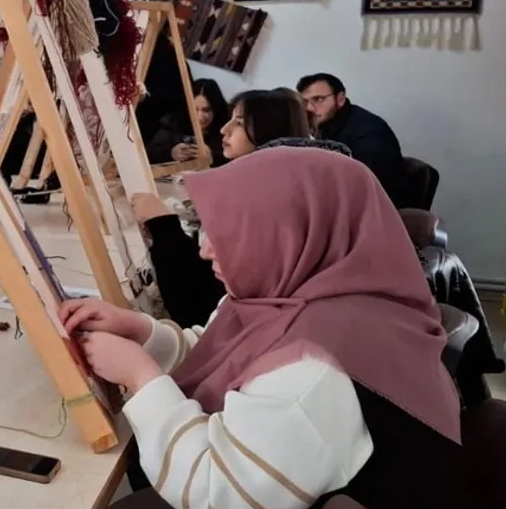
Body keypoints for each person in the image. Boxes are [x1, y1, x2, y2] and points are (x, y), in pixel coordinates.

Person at [65, 148, 464, 508]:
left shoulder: (314, 369)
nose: (204, 249)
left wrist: (141, 376)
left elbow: (217, 490)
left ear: (293, 235)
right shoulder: (301, 297)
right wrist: (143, 333)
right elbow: (230, 356)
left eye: (231, 230)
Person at [132, 87, 348, 327]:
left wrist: (164, 227)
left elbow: (200, 306)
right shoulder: (273, 189)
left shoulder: (267, 204)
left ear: (268, 130)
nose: (224, 129)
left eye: (239, 122)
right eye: (230, 119)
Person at [296, 72, 407, 205]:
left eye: (318, 99)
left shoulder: (369, 131)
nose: (309, 108)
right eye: (305, 102)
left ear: (340, 99)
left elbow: (365, 186)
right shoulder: (326, 125)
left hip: (376, 206)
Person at [146, 78, 230, 168]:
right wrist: (170, 153)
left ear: (216, 109)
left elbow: (236, 163)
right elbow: (148, 153)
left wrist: (213, 157)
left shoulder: (228, 130)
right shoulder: (173, 123)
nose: (200, 117)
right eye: (194, 109)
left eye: (206, 110)